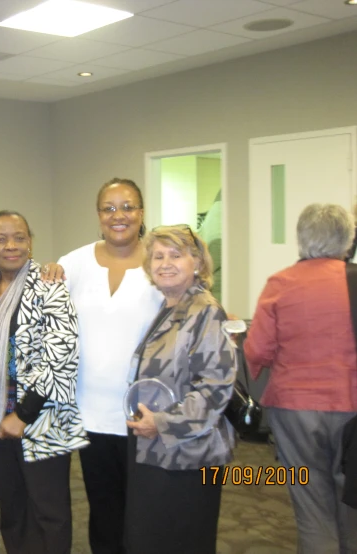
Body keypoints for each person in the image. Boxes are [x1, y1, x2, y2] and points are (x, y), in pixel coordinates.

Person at [0, 210, 87, 554]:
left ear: (30, 242)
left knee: (48, 513)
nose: (10, 245)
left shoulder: (49, 285)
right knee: (12, 510)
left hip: (39, 419)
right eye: (1, 239)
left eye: (19, 237)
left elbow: (62, 356)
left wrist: (23, 415)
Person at [51, 178, 163, 554]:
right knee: (104, 512)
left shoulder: (160, 261)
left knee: (145, 512)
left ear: (142, 213)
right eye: (109, 208)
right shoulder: (74, 263)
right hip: (91, 414)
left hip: (147, 414)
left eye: (128, 207)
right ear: (98, 215)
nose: (119, 216)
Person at [245, 203, 357, 554]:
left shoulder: (280, 283)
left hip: (294, 412)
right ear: (347, 239)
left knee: (311, 507)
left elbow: (257, 350)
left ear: (301, 239)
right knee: (351, 502)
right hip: (352, 409)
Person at [125, 224, 235, 554]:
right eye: (158, 256)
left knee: (182, 541)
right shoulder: (168, 307)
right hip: (156, 449)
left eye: (176, 255)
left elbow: (214, 389)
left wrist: (160, 422)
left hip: (188, 457)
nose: (165, 263)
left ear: (198, 262)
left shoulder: (206, 311)